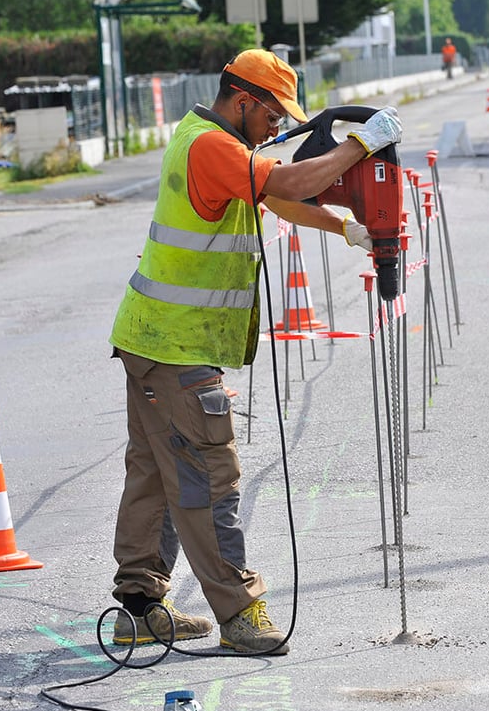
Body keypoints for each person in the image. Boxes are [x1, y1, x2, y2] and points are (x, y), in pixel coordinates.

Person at [106, 49, 402, 656]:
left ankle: (137, 609)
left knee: (155, 476)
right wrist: (358, 147)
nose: (276, 128)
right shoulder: (214, 147)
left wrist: (343, 228)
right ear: (242, 101)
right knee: (209, 480)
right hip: (177, 345)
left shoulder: (206, 140)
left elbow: (273, 197)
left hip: (151, 340)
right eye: (272, 116)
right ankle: (239, 613)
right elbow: (288, 180)